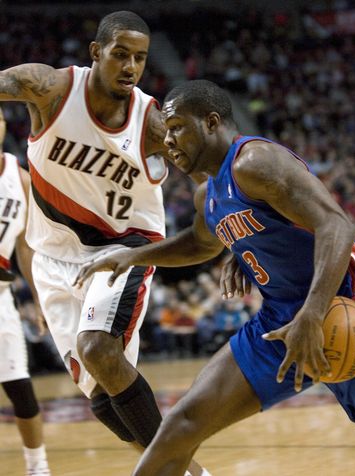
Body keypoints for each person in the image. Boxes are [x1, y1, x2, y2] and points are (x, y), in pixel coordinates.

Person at [75, 80, 355, 476]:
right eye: (165, 129)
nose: (168, 139)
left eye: (177, 126)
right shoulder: (207, 194)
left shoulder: (254, 162)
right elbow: (200, 244)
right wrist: (133, 256)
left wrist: (312, 316)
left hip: (349, 314)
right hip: (278, 326)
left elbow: (336, 225)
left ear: (211, 122)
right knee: (180, 426)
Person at [0, 12, 206, 475]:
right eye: (120, 55)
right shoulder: (49, 89)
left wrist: (226, 229)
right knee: (104, 402)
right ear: (96, 53)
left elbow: (207, 175)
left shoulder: (154, 123)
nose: (131, 66)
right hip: (51, 259)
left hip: (124, 251)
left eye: (140, 58)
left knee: (98, 350)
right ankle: (194, 473)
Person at [0, 107, 51, 475]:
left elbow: (25, 248)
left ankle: (38, 467)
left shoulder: (19, 179)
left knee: (20, 386)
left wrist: (38, 299)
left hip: (2, 297)